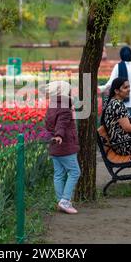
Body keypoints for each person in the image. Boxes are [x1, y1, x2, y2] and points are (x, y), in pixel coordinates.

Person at [45, 81, 80, 214]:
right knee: (75, 172)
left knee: (59, 174)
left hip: (54, 145)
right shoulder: (64, 106)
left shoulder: (52, 106)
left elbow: (49, 124)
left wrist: (54, 135)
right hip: (65, 145)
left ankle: (60, 201)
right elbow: (62, 123)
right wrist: (59, 135)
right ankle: (65, 201)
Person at [98, 46, 131, 120]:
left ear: (121, 55)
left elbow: (111, 83)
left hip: (124, 99)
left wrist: (99, 89)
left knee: (125, 125)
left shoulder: (118, 67)